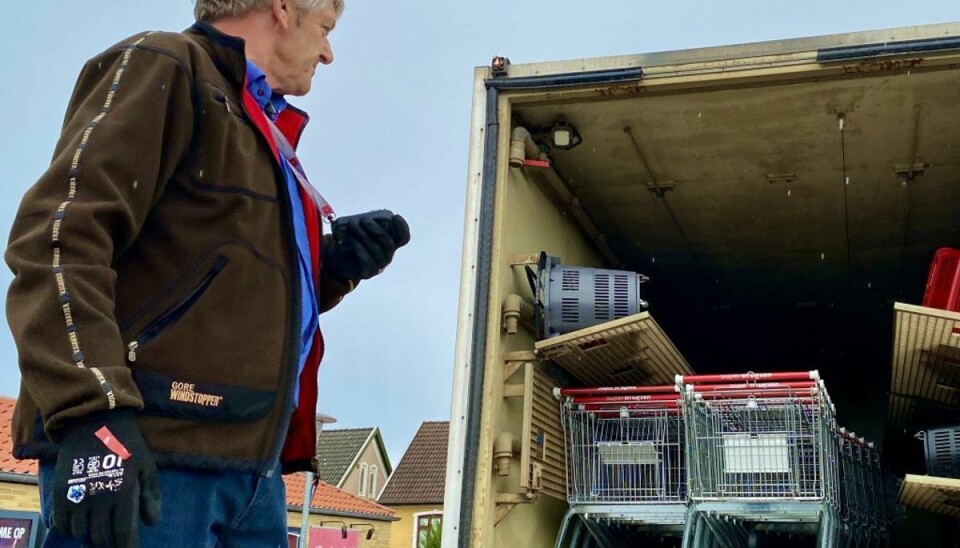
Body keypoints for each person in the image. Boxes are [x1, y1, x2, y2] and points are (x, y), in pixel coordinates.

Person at [4, 0, 410, 546]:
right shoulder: (165, 65)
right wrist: (91, 413)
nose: (329, 54)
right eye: (326, 29)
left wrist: (331, 265)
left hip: (252, 474)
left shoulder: (261, 126)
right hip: (148, 457)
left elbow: (211, 284)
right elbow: (57, 238)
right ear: (284, 9)